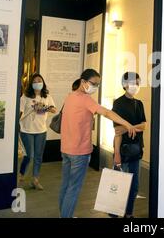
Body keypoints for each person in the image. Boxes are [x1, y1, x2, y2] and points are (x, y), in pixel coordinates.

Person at [59, 69, 139, 218]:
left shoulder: (70, 97)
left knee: (65, 185)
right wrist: (127, 124)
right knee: (73, 188)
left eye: (98, 84)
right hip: (79, 152)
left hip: (65, 149)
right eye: (93, 83)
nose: (95, 87)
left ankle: (64, 214)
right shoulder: (85, 99)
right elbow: (107, 113)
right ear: (83, 82)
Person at [112, 72, 147, 218]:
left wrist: (128, 127)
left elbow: (144, 125)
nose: (136, 86)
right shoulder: (118, 103)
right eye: (133, 83)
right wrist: (117, 154)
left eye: (138, 83)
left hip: (136, 150)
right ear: (125, 84)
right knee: (119, 185)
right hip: (122, 150)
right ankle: (114, 212)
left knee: (134, 186)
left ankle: (129, 213)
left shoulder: (139, 103)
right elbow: (117, 131)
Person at [19, 73, 57, 190]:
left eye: (39, 81)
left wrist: (44, 107)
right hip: (26, 130)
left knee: (38, 156)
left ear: (43, 82)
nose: (37, 83)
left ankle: (35, 179)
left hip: (41, 130)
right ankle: (21, 175)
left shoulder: (47, 96)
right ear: (31, 84)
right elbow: (20, 112)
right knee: (29, 155)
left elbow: (54, 109)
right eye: (35, 81)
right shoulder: (25, 97)